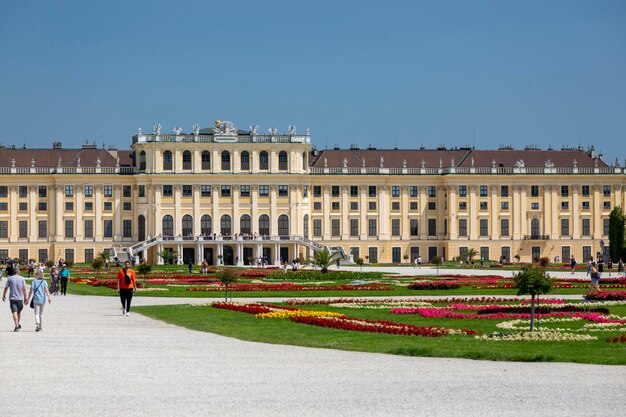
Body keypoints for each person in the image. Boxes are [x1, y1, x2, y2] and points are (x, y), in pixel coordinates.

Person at [2, 263, 28, 331]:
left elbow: (6, 288)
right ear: (18, 272)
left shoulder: (10, 278)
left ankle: (16, 324)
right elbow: (24, 289)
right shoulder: (22, 278)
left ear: (13, 272)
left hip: (12, 298)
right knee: (18, 312)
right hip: (20, 298)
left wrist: (4, 295)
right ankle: (17, 324)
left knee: (14, 312)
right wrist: (26, 298)